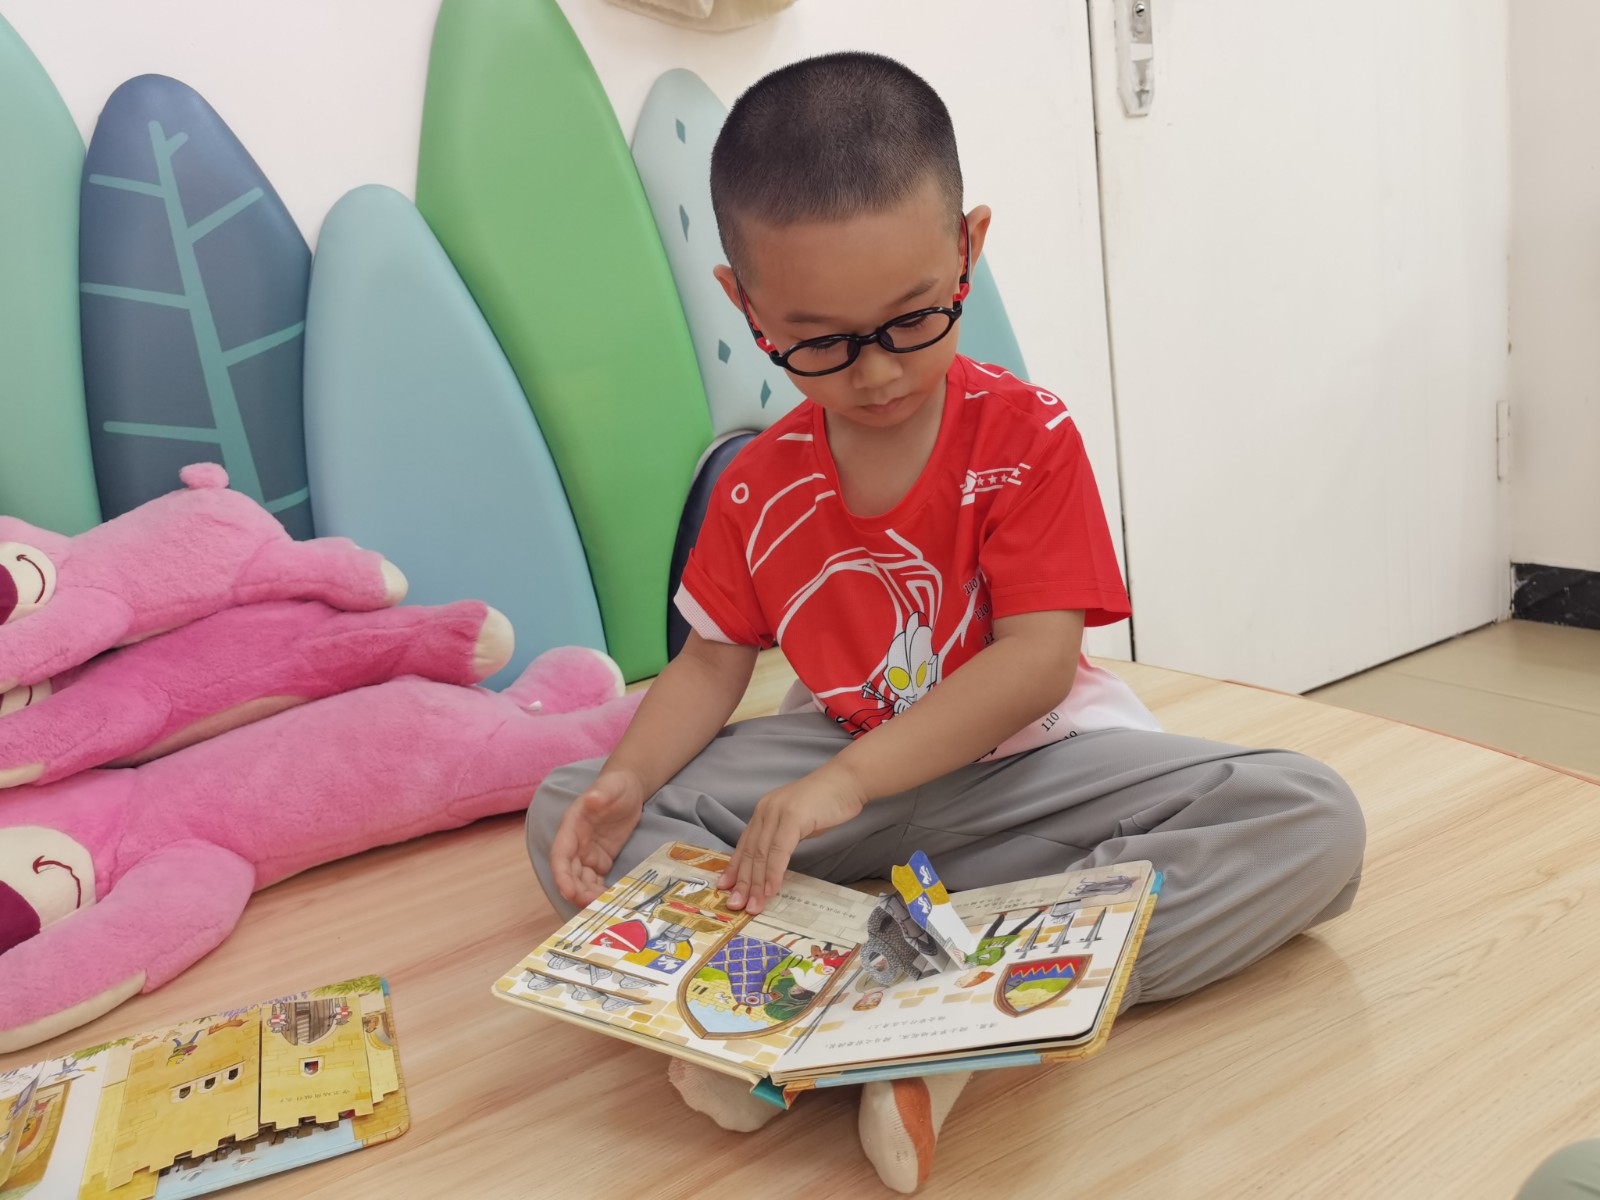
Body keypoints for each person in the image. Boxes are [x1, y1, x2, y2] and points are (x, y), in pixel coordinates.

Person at [527, 51, 1365, 1193]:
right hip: (846, 771)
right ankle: (851, 992)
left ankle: (923, 1010)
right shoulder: (757, 484)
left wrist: (845, 786)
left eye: (912, 320)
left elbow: (1035, 666)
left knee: (1306, 815)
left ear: (967, 250)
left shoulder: (1026, 436)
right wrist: (630, 779)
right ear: (744, 303)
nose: (875, 373)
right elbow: (712, 661)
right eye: (819, 341)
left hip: (1029, 770)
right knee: (569, 810)